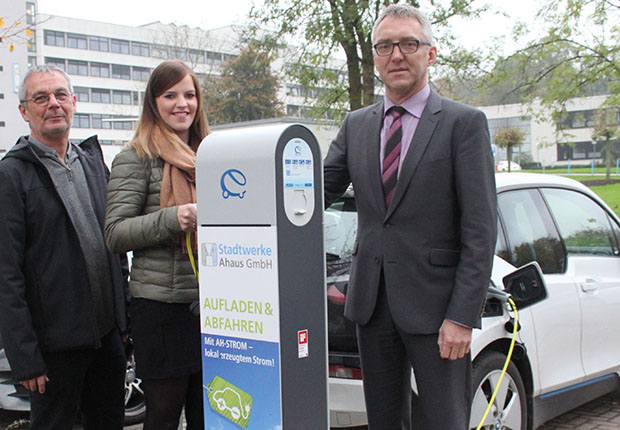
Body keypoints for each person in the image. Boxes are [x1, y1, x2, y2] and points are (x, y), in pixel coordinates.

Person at [323, 4, 497, 429]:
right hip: (371, 305)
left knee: (444, 421)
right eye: (385, 46)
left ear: (431, 54)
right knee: (383, 423)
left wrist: (461, 316)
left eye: (408, 44)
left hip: (439, 312)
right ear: (376, 57)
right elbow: (311, 193)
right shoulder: (356, 125)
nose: (396, 55)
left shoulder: (464, 124)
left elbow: (481, 228)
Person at [0, 65, 128, 429]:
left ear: (73, 102)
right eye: (41, 98)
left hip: (106, 341)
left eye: (60, 95)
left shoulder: (91, 163)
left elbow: (114, 245)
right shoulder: (11, 175)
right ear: (25, 111)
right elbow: (6, 274)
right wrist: (24, 358)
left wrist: (124, 320)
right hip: (54, 350)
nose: (53, 104)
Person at [105, 59, 209, 430]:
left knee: (210, 416)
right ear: (153, 102)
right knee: (163, 416)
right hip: (162, 310)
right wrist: (173, 218)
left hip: (214, 307)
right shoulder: (135, 157)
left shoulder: (212, 155)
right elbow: (115, 232)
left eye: (189, 94)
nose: (182, 104)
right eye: (170, 95)